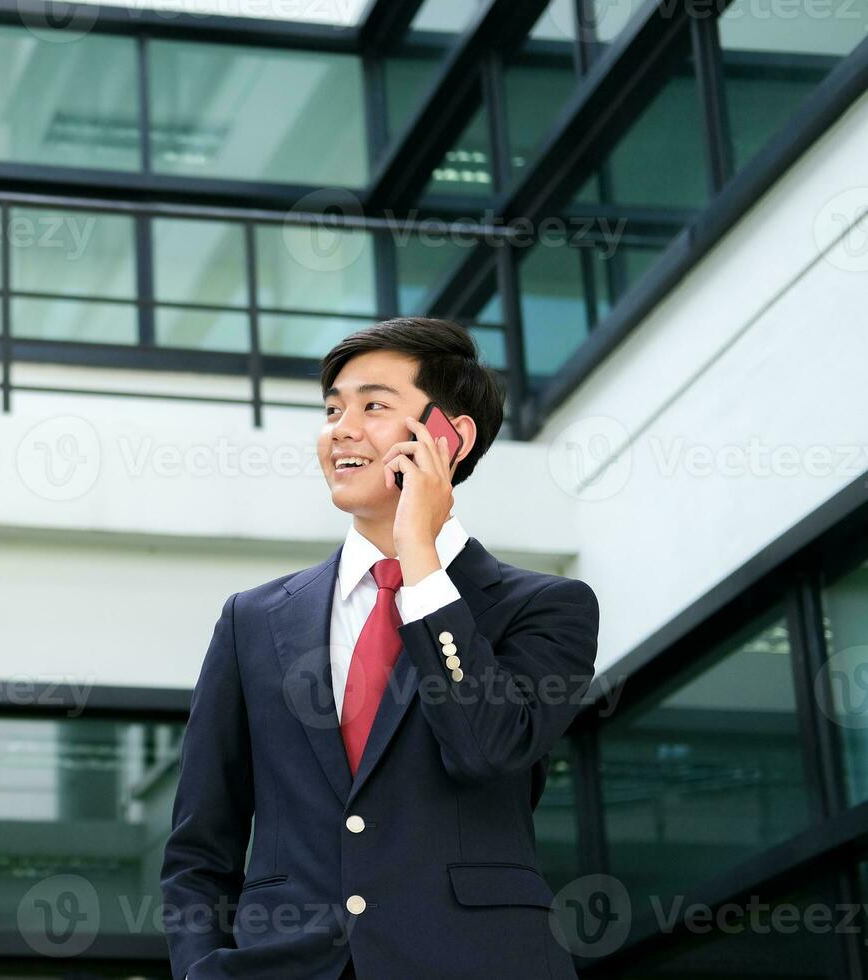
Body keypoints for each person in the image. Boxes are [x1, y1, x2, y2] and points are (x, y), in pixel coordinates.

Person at [160, 317, 600, 980]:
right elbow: (200, 845)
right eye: (332, 409)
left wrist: (419, 559)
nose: (341, 428)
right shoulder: (251, 621)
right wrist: (203, 970)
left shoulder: (544, 608)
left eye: (373, 405)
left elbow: (484, 745)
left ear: (449, 437)